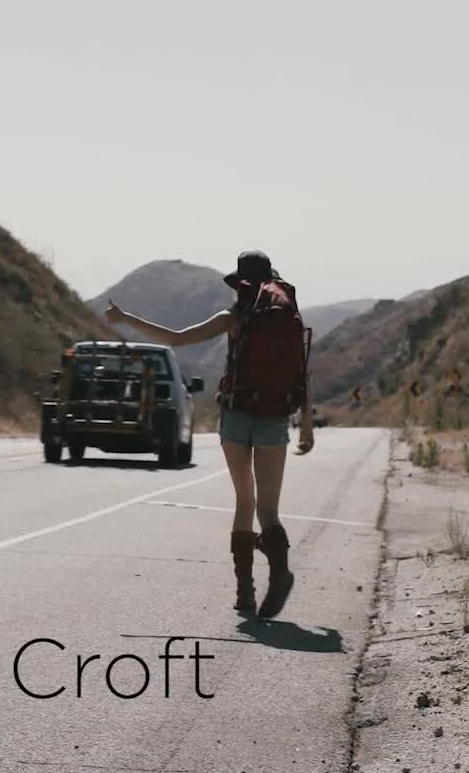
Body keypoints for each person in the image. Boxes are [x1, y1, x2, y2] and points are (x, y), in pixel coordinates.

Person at [105, 250, 314, 618]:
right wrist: (307, 423)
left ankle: (245, 594)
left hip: (235, 416)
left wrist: (125, 318)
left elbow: (176, 338)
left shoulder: (232, 318)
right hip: (274, 417)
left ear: (240, 283)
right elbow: (300, 371)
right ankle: (279, 572)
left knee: (244, 501)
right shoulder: (286, 317)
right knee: (268, 508)